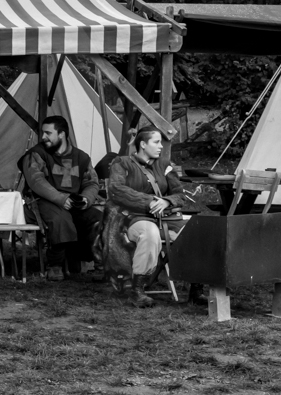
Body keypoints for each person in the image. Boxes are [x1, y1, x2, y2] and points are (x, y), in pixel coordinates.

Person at [105, 127, 188, 306]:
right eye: (156, 142)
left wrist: (167, 201)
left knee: (195, 234)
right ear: (143, 144)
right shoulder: (122, 163)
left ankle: (197, 288)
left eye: (161, 143)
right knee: (150, 233)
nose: (160, 147)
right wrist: (149, 201)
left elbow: (180, 195)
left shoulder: (165, 165)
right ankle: (138, 290)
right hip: (134, 218)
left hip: (167, 220)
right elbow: (116, 190)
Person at [19, 116, 102, 280]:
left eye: (48, 133)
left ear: (62, 134)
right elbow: (36, 181)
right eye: (43, 133)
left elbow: (91, 183)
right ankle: (55, 265)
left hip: (74, 202)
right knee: (60, 219)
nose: (43, 137)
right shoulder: (36, 155)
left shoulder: (81, 158)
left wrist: (86, 199)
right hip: (43, 201)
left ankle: (96, 262)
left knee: (98, 219)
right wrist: (61, 199)